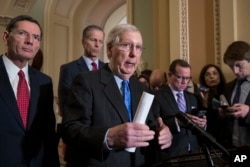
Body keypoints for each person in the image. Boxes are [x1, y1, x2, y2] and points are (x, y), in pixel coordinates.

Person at [61, 24, 172, 167]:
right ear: (109, 49)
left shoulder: (142, 89)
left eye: (138, 47)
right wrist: (108, 138)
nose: (133, 54)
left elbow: (150, 129)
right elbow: (71, 130)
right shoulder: (86, 81)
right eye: (126, 45)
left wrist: (163, 134)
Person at [0, 15, 59, 167]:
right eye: (22, 33)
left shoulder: (44, 81)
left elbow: (48, 134)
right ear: (6, 36)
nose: (30, 41)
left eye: (36, 37)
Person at [58, 25, 105, 166]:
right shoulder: (69, 69)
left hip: (102, 139)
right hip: (80, 138)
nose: (97, 45)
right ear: (83, 41)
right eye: (93, 40)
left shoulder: (107, 69)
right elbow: (66, 103)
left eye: (100, 41)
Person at [152, 59, 207, 160]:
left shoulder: (192, 98)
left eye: (187, 78)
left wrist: (202, 124)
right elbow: (153, 125)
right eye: (180, 77)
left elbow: (196, 127)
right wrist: (176, 122)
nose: (184, 82)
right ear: (170, 75)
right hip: (171, 155)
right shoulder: (157, 97)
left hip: (193, 154)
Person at [219, 41, 250, 149]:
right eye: (231, 66)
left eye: (238, 65)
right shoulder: (228, 87)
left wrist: (248, 111)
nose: (235, 71)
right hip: (232, 148)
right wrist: (223, 114)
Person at [198, 64, 226, 140]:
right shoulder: (200, 95)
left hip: (227, 134)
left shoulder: (228, 91)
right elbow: (201, 118)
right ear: (204, 78)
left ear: (220, 76)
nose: (211, 77)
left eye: (215, 73)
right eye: (207, 74)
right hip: (209, 135)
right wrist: (204, 103)